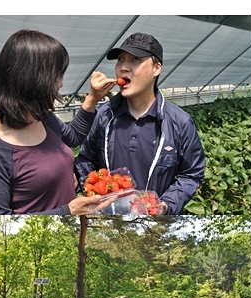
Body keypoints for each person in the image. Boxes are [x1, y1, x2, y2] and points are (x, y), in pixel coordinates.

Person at [0, 29, 117, 215]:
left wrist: (93, 98)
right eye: (56, 75)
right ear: (33, 79)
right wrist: (67, 211)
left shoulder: (41, 117)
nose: (61, 84)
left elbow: (73, 137)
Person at [75, 32, 206, 215]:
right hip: (109, 222)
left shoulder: (179, 122)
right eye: (120, 60)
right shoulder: (103, 116)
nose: (123, 68)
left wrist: (165, 205)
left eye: (135, 59)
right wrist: (90, 187)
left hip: (153, 226)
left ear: (156, 68)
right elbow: (85, 160)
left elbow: (191, 174)